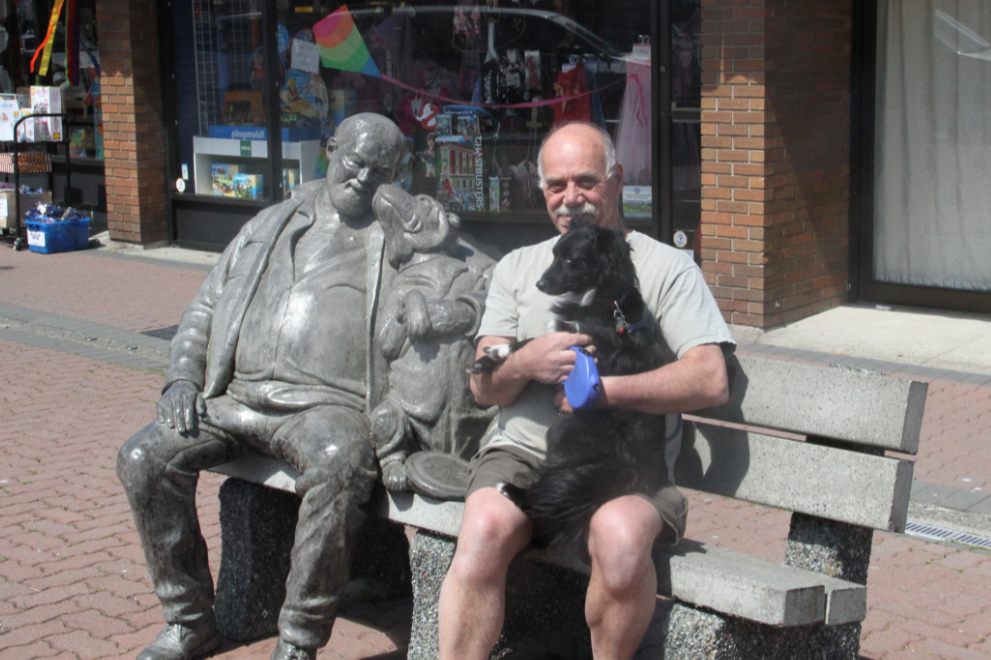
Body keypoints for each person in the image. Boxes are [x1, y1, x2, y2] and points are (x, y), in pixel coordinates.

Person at [437, 121, 735, 660]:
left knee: (621, 542)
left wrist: (605, 393)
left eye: (586, 181)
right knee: (483, 529)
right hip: (522, 455)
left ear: (617, 180)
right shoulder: (519, 267)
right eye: (556, 185)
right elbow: (484, 388)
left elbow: (711, 378)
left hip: (621, 462)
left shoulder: (667, 268)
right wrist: (525, 361)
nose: (570, 197)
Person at [118, 113, 408, 660]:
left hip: (324, 409)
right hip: (234, 397)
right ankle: (188, 620)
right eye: (355, 162)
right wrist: (182, 376)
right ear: (330, 150)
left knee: (341, 459)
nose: (364, 179)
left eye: (381, 171)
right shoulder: (269, 222)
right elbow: (204, 307)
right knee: (142, 458)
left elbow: (462, 275)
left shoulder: (399, 238)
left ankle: (298, 639)